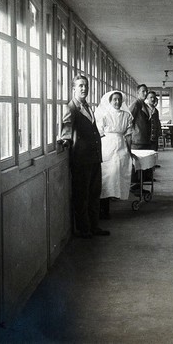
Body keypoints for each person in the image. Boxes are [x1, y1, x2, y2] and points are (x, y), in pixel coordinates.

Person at [60, 74, 110, 238]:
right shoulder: (71, 108)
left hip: (94, 157)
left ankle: (94, 226)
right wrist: (66, 140)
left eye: (86, 86)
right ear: (73, 88)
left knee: (95, 193)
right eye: (80, 85)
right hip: (81, 159)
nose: (84, 88)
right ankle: (84, 229)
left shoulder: (87, 107)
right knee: (82, 195)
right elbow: (67, 127)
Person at [95, 91, 133, 220]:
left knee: (119, 174)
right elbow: (99, 133)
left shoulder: (126, 116)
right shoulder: (104, 115)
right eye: (114, 100)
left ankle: (114, 198)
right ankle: (103, 209)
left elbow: (128, 135)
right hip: (107, 147)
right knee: (106, 177)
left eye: (119, 100)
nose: (117, 102)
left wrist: (129, 150)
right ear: (110, 101)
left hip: (121, 146)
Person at [129, 84, 151, 150]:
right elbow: (129, 121)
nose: (146, 93)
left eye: (146, 91)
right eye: (143, 91)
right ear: (138, 93)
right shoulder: (135, 104)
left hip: (145, 139)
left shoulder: (144, 105)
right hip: (137, 140)